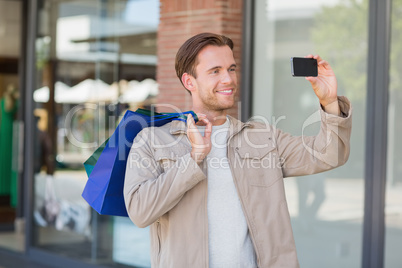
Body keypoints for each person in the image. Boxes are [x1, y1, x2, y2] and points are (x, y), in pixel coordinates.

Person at [124, 32, 352, 268]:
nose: (228, 79)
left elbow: (330, 154)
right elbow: (140, 212)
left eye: (231, 69)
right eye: (215, 71)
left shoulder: (263, 137)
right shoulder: (152, 140)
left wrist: (330, 102)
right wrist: (193, 160)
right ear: (189, 81)